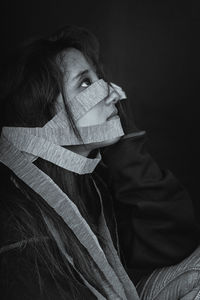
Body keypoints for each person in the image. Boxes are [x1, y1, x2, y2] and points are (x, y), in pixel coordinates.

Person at [0, 25, 199, 300]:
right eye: (84, 83)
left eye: (99, 78)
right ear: (41, 115)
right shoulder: (16, 231)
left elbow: (173, 240)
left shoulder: (91, 184)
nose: (113, 92)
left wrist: (122, 143)